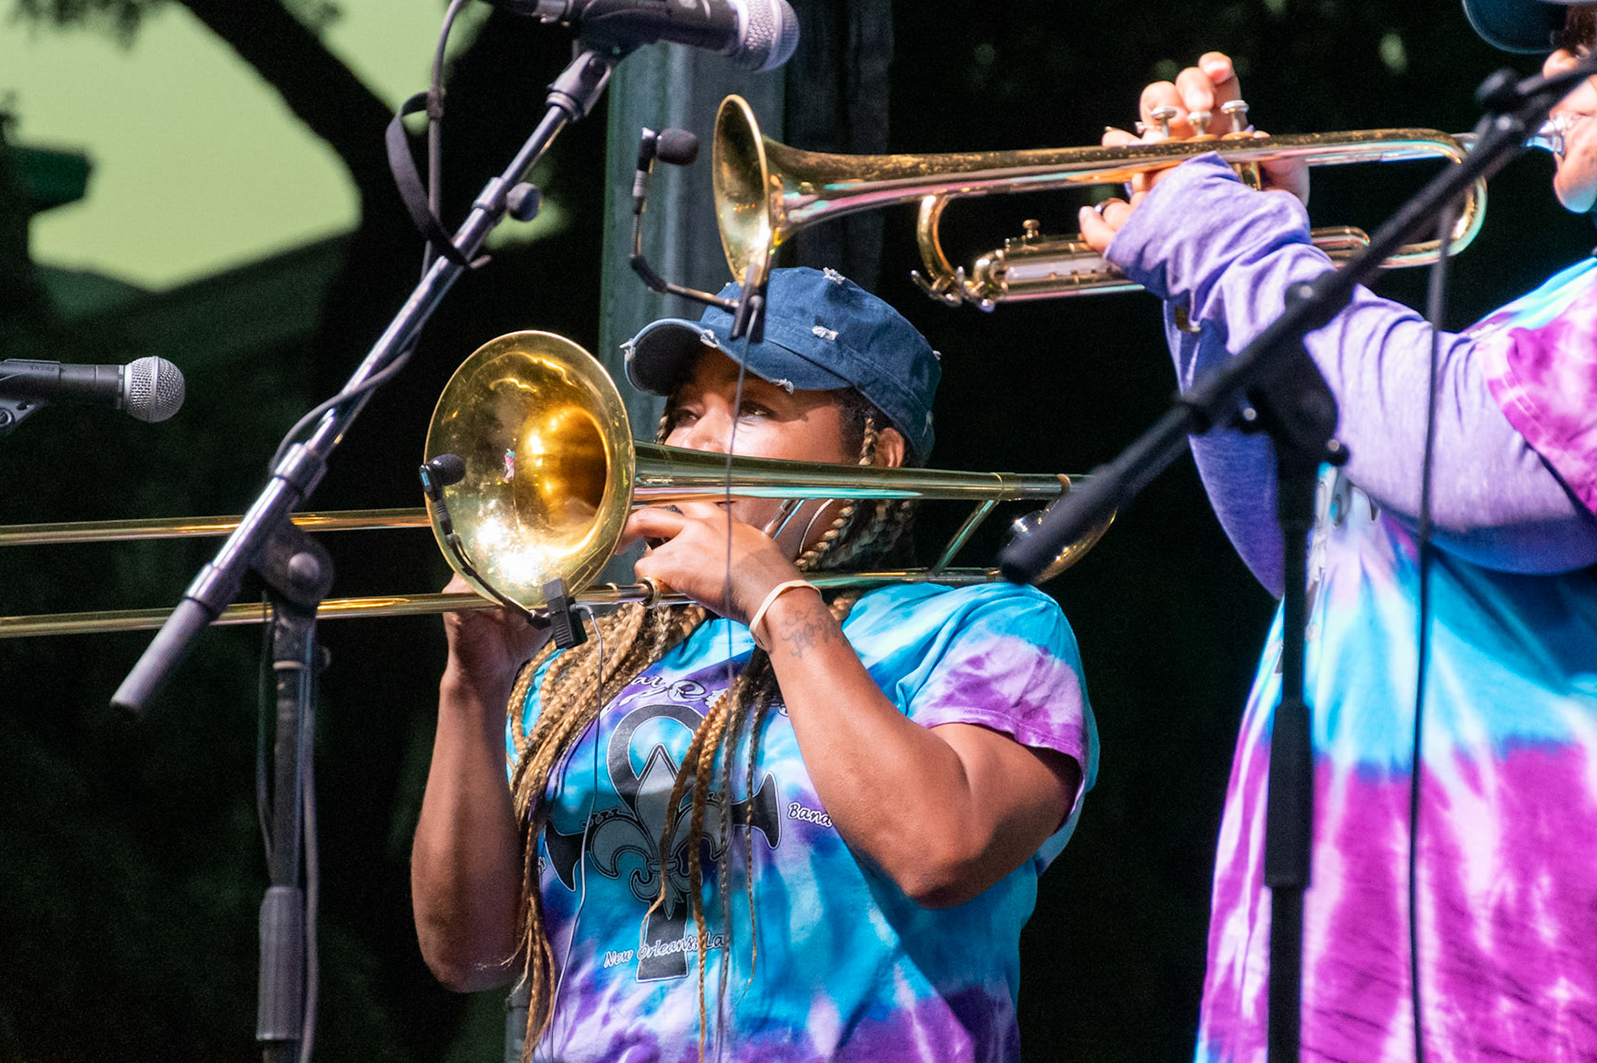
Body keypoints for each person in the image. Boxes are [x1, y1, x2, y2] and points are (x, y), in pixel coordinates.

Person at [1077, 0, 1597, 1060]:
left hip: (1567, 1012)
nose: (1547, 76)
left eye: (1592, 34)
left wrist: (1238, 244)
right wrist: (1215, 291)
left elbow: (1489, 467)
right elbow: (1325, 540)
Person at [410, 266, 1096, 1063]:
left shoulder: (986, 628)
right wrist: (474, 685)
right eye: (684, 413)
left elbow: (940, 848)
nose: (690, 442)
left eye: (753, 409)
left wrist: (778, 601)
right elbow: (469, 956)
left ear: (877, 457)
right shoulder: (587, 668)